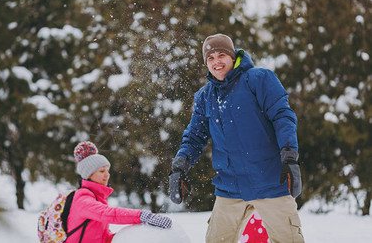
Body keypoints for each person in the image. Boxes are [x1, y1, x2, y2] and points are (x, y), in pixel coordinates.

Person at [169, 34, 304, 242]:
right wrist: (180, 165)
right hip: (230, 187)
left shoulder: (259, 79)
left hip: (270, 182)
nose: (216, 62)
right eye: (210, 58)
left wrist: (289, 156)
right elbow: (194, 136)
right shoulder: (205, 97)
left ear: (233, 56)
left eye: (221, 55)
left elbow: (283, 117)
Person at [66, 141, 172, 243]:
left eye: (108, 171)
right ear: (89, 175)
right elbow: (108, 214)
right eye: (102, 171)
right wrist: (142, 216)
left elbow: (101, 237)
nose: (107, 175)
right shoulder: (83, 198)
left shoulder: (97, 197)